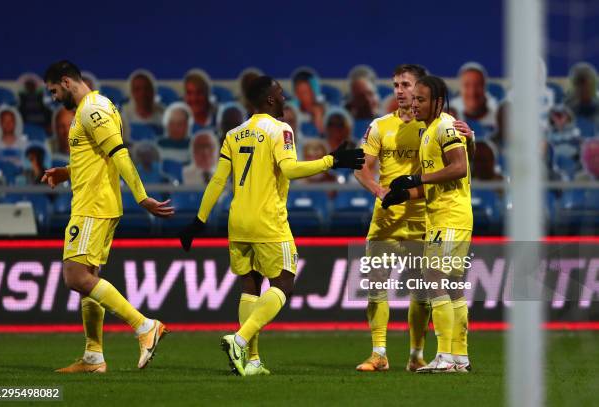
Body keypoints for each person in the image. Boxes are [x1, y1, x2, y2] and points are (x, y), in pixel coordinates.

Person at [177, 75, 364, 376]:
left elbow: (217, 181)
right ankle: (239, 339)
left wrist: (198, 221)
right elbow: (289, 169)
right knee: (284, 282)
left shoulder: (234, 133)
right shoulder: (280, 129)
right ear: (268, 100)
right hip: (268, 221)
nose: (285, 98)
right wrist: (332, 160)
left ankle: (252, 361)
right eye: (280, 94)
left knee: (250, 285)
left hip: (237, 222)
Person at [42, 60, 174, 373]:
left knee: (75, 277)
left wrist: (142, 196)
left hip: (93, 206)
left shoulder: (92, 109)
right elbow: (98, 158)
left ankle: (144, 326)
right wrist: (67, 172)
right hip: (94, 203)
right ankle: (93, 356)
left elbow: (120, 154)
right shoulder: (95, 108)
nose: (53, 98)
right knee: (89, 279)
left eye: (54, 91)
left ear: (67, 81)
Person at [354, 64, 473, 373]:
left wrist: (469, 139)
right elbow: (360, 166)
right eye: (396, 84)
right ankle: (380, 352)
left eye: (407, 85)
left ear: (425, 92)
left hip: (431, 219)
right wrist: (383, 192)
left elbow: (458, 164)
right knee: (377, 285)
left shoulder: (438, 125)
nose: (400, 91)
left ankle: (422, 354)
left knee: (426, 288)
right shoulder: (381, 126)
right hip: (388, 220)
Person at [450, 62, 498, 134]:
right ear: (460, 89)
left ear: (485, 87)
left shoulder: (499, 116)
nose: (472, 92)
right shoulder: (450, 117)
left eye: (477, 85)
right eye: (467, 85)